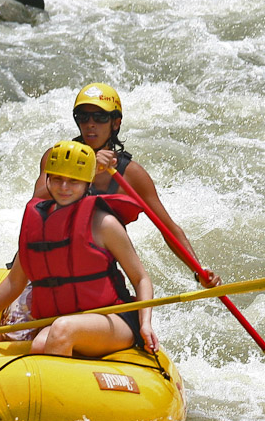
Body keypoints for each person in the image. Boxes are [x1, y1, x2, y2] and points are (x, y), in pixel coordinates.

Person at [0, 141, 157, 357]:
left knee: (62, 330)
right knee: (42, 343)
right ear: (47, 179)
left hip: (112, 318)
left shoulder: (103, 224)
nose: (64, 187)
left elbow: (140, 278)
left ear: (88, 183)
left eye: (74, 181)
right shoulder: (38, 222)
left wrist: (145, 323)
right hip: (61, 322)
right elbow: (14, 282)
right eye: (57, 179)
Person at [34, 83, 222, 288]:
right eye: (83, 117)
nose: (90, 124)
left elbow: (168, 229)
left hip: (95, 275)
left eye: (100, 117)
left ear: (115, 123)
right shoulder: (56, 157)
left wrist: (198, 270)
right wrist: (85, 169)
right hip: (48, 264)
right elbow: (36, 204)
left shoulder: (132, 175)